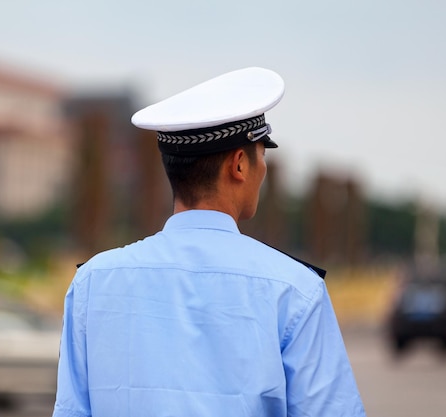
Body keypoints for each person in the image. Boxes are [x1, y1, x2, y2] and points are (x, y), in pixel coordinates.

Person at [52, 67, 366, 417]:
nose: (263, 168)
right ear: (239, 165)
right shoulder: (294, 290)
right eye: (262, 154)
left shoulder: (94, 282)